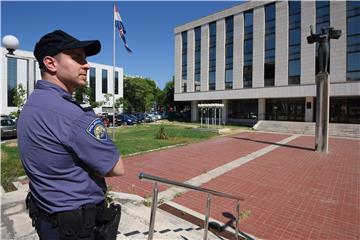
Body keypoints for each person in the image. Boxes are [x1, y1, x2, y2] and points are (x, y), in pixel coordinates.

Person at [17, 30, 125, 239]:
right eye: (77, 59)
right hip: (77, 228)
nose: (87, 65)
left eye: (85, 59)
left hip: (46, 219)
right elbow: (116, 167)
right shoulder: (72, 115)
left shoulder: (32, 105)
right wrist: (91, 167)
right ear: (51, 63)